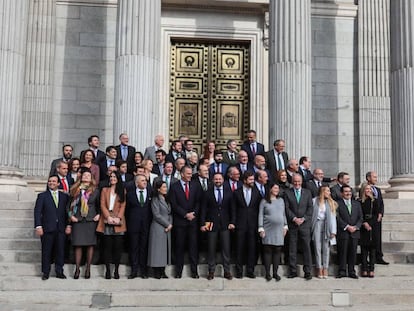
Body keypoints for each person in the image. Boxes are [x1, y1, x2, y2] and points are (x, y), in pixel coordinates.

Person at [34, 175, 71, 280]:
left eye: (54, 181)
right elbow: (37, 212)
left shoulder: (64, 197)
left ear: (58, 183)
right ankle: (45, 272)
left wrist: (69, 225)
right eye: (50, 181)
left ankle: (59, 271)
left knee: (60, 250)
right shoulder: (42, 196)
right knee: (46, 251)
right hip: (47, 228)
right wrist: (38, 226)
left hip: (61, 228)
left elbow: (68, 212)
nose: (51, 183)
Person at [200, 173, 235, 280]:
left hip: (225, 224)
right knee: (211, 248)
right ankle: (211, 271)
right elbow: (203, 210)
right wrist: (202, 224)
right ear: (213, 180)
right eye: (216, 179)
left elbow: (232, 209)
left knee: (226, 248)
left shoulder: (229, 193)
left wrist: (232, 222)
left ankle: (227, 271)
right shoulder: (207, 193)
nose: (218, 181)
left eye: (220, 179)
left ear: (223, 180)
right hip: (211, 224)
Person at [169, 166, 202, 278]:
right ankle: (178, 272)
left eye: (191, 173)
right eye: (188, 174)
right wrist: (185, 214)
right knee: (179, 248)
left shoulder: (195, 185)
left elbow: (198, 202)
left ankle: (194, 271)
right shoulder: (174, 187)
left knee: (194, 247)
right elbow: (174, 204)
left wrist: (193, 213)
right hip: (180, 222)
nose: (190, 175)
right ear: (182, 174)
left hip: (193, 222)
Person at [68, 169, 100, 279]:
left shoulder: (95, 190)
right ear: (81, 177)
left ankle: (88, 268)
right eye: (84, 175)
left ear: (91, 178)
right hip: (78, 219)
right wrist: (70, 216)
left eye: (88, 175)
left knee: (90, 244)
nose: (86, 177)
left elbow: (99, 204)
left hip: (90, 219)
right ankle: (77, 269)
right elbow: (68, 205)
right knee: (78, 244)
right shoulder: (75, 189)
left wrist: (99, 214)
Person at [96, 171, 126, 279]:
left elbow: (123, 205)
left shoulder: (122, 190)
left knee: (118, 247)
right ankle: (108, 270)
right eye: (111, 176)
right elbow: (102, 204)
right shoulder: (105, 190)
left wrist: (118, 218)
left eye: (114, 176)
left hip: (118, 221)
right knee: (107, 247)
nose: (112, 178)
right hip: (107, 220)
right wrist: (108, 217)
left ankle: (116, 270)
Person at [233, 171, 262, 278]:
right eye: (250, 180)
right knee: (239, 248)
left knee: (252, 248)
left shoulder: (256, 192)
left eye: (253, 179)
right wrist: (233, 222)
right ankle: (239, 271)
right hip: (240, 225)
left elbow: (259, 209)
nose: (252, 182)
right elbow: (234, 209)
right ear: (244, 180)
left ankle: (250, 271)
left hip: (253, 225)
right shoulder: (236, 192)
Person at [284, 173, 313, 280]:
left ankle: (308, 271)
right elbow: (286, 208)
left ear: (301, 182)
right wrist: (294, 218)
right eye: (295, 181)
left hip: (305, 225)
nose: (297, 183)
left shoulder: (307, 193)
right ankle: (293, 270)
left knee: (306, 248)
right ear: (292, 181)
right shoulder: (287, 193)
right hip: (293, 224)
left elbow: (310, 208)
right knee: (292, 248)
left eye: (298, 181)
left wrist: (303, 218)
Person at [258, 183, 287, 282]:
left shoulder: (281, 200)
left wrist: (285, 226)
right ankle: (267, 273)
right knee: (268, 250)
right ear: (270, 189)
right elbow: (260, 215)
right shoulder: (264, 201)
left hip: (279, 229)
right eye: (275, 188)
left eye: (278, 188)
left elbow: (283, 214)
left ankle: (275, 273)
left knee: (277, 250)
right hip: (268, 229)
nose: (277, 190)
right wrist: (261, 228)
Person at [125, 174, 152, 279]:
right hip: (133, 225)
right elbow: (127, 211)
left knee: (144, 248)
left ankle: (144, 271)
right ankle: (134, 271)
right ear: (137, 183)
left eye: (145, 180)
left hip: (146, 225)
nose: (145, 182)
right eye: (142, 180)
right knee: (134, 248)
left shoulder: (150, 192)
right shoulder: (130, 194)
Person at [147, 180, 173, 279]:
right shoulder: (155, 200)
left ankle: (163, 270)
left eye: (166, 187)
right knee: (157, 250)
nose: (165, 189)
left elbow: (170, 213)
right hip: (158, 227)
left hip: (167, 227)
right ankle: (156, 271)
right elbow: (156, 215)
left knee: (164, 250)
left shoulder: (166, 199)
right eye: (163, 187)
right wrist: (167, 224)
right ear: (158, 189)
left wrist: (170, 224)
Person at [336, 185, 363, 279]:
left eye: (349, 192)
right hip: (344, 232)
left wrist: (356, 227)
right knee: (343, 252)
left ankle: (352, 271)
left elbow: (360, 217)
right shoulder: (337, 203)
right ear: (342, 193)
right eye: (346, 192)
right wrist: (347, 226)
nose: (348, 193)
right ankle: (342, 271)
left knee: (353, 252)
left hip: (355, 232)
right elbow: (337, 217)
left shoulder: (357, 204)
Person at [311, 186, 337, 279]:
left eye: (329, 191)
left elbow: (333, 217)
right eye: (327, 191)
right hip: (317, 224)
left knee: (326, 248)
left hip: (327, 225)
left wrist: (333, 231)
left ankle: (325, 267)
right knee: (317, 247)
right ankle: (319, 267)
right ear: (322, 191)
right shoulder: (314, 201)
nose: (329, 192)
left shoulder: (331, 203)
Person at [359, 183, 381, 278]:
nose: (368, 190)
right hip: (364, 225)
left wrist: (371, 224)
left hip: (373, 225)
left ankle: (371, 269)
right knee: (364, 249)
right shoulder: (359, 201)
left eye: (369, 189)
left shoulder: (374, 201)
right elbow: (359, 214)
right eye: (366, 189)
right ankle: (364, 268)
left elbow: (377, 214)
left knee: (372, 249)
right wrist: (364, 223)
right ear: (363, 190)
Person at [366, 171, 388, 265]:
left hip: (377, 218)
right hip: (369, 217)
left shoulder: (378, 189)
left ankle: (379, 257)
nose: (376, 179)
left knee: (377, 238)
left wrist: (380, 213)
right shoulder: (365, 188)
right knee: (369, 238)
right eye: (374, 177)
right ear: (368, 178)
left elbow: (381, 203)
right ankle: (368, 258)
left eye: (376, 177)